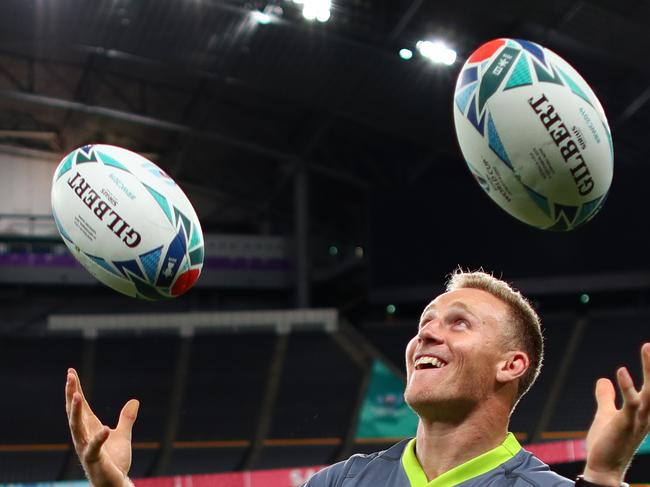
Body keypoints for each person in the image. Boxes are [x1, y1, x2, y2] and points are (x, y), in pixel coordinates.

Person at [65, 270, 650, 487]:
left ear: (511, 365)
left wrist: (601, 477)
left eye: (458, 323)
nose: (427, 334)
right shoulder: (340, 483)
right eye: (424, 323)